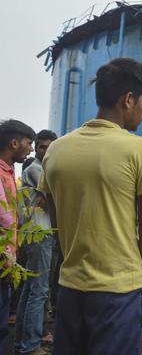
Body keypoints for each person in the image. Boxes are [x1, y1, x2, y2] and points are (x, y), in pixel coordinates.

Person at [38, 58, 142, 355]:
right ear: (128, 99)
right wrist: (141, 278)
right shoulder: (139, 148)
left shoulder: (56, 150)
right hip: (118, 292)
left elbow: (56, 220)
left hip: (69, 287)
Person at [15, 129, 57, 355]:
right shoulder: (36, 170)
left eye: (50, 146)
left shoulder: (43, 169)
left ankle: (23, 344)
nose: (45, 150)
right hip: (39, 234)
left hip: (38, 234)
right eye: (41, 146)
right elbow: (53, 198)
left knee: (31, 289)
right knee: (38, 290)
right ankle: (30, 345)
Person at [0, 120, 35, 353]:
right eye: (28, 143)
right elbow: (5, 218)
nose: (31, 149)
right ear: (14, 143)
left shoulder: (9, 171)